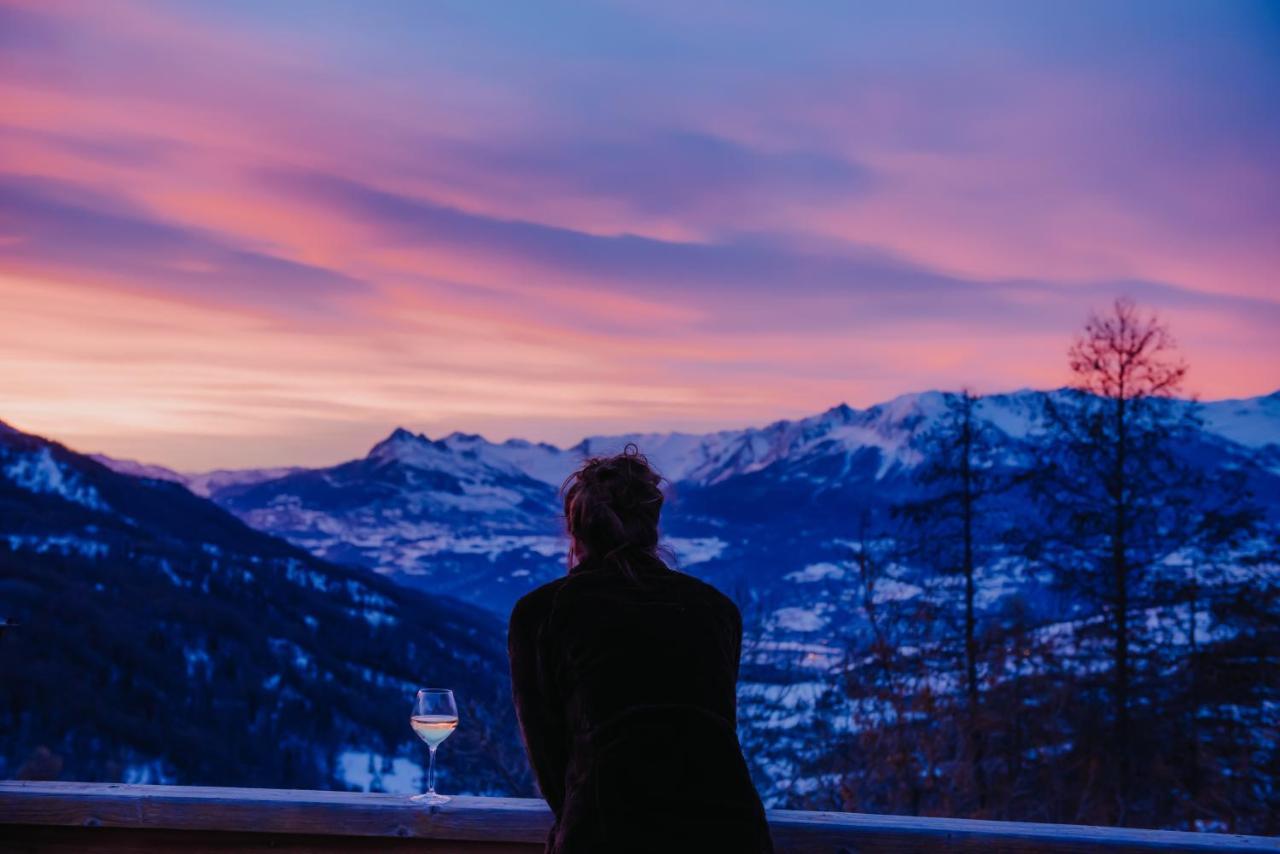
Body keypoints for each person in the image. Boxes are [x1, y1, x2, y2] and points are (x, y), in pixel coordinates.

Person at [508, 445, 774, 853]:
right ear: (653, 525)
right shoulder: (716, 611)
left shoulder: (541, 614)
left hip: (607, 831)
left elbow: (551, 761)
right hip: (731, 830)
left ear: (574, 531)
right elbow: (714, 730)